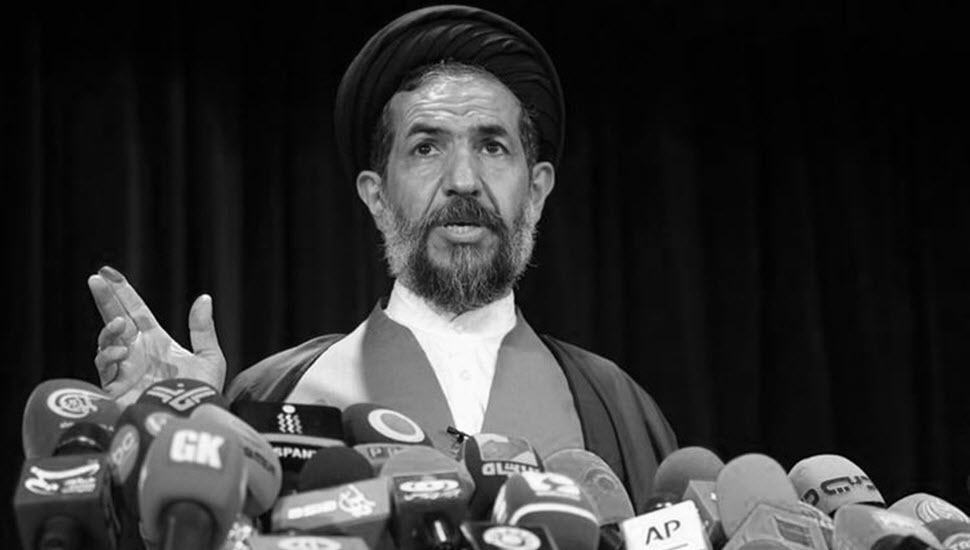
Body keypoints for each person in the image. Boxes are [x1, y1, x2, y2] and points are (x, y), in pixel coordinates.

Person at [88, 5, 677, 512]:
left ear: (538, 191)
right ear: (376, 196)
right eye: (426, 147)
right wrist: (174, 430)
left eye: (492, 146)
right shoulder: (274, 397)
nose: (463, 179)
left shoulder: (618, 408)